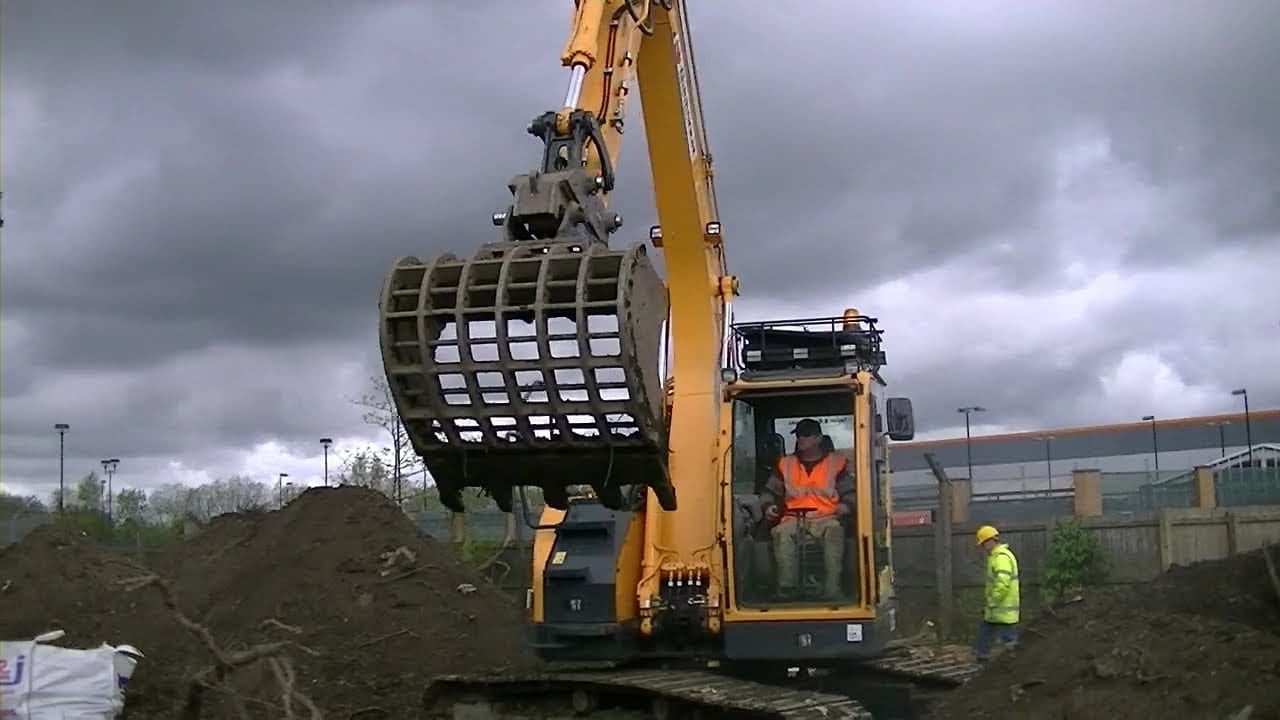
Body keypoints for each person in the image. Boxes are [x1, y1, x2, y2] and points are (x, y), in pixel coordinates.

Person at [759, 418, 855, 599]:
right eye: (798, 435)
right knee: (780, 533)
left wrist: (846, 505)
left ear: (818, 439)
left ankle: (832, 589)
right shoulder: (785, 464)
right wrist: (768, 506)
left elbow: (850, 492)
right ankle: (788, 589)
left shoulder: (837, 464)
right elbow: (768, 492)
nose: (801, 438)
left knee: (835, 532)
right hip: (792, 519)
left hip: (827, 518)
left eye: (806, 435)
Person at [973, 524, 1020, 663]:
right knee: (986, 631)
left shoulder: (1001, 558)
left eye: (983, 544)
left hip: (1002, 607)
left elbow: (1002, 583)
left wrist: (992, 601)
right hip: (998, 607)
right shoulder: (997, 556)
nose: (983, 548)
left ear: (990, 541)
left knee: (1008, 638)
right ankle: (981, 657)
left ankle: (1016, 662)